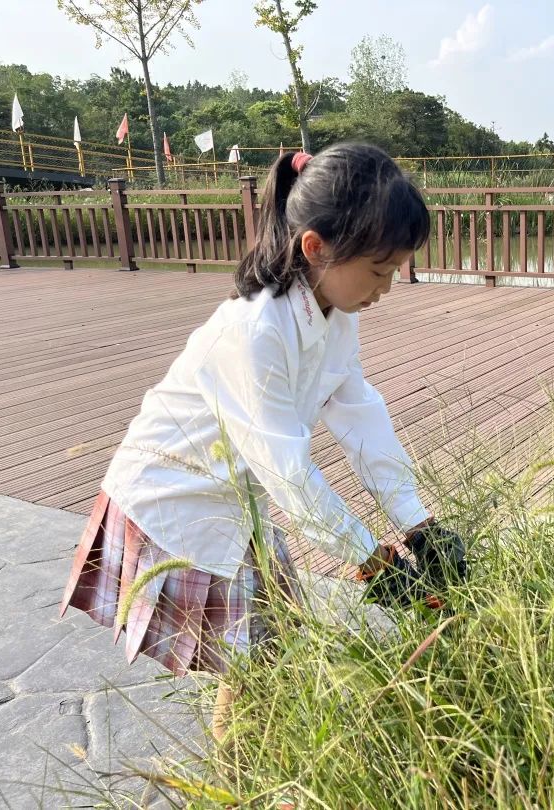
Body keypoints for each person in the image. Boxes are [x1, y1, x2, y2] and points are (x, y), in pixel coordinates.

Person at [60, 143, 467, 737]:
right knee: (259, 671)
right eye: (380, 270)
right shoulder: (255, 329)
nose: (387, 287)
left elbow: (361, 418)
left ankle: (243, 771)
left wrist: (419, 525)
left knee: (265, 664)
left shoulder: (337, 314)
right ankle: (241, 774)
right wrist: (373, 562)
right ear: (316, 247)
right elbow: (288, 472)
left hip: (239, 498)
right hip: (177, 499)